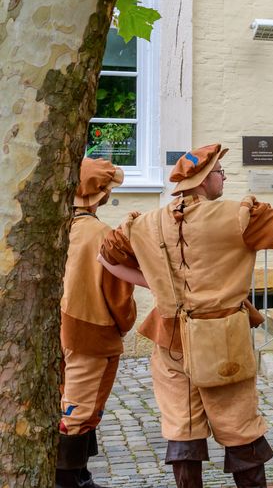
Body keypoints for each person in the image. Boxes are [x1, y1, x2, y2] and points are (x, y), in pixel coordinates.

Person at [99, 144, 273, 487]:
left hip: (170, 341)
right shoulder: (235, 216)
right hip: (221, 338)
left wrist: (158, 284)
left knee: (184, 427)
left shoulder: (145, 223)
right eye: (220, 173)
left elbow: (108, 255)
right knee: (240, 427)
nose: (223, 178)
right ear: (204, 180)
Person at [57, 158, 135, 488]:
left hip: (56, 330)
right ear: (100, 194)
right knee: (80, 408)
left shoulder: (52, 227)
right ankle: (67, 479)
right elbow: (118, 296)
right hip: (90, 331)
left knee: (64, 401)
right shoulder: (102, 235)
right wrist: (125, 321)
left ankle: (80, 475)